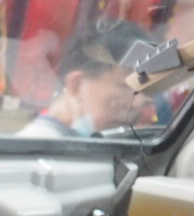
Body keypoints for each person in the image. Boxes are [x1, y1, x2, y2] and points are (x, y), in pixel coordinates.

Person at [17, 23, 151, 138]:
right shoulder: (39, 152)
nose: (139, 103)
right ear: (77, 84)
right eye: (125, 86)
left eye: (145, 90)